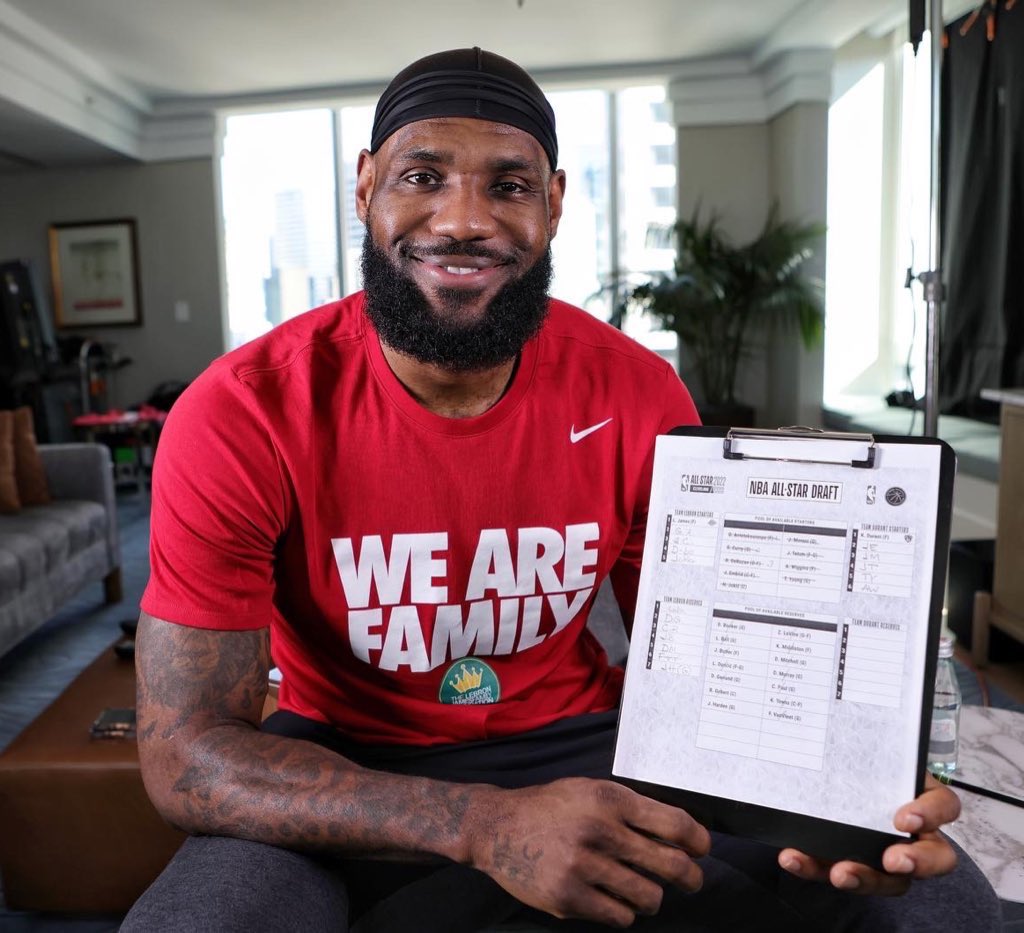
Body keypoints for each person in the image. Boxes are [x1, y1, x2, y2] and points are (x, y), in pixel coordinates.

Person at [123, 48, 1000, 932]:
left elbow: (715, 670)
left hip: (584, 743)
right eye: (422, 176)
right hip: (347, 761)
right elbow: (186, 755)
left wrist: (841, 784)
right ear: (365, 188)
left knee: (932, 896)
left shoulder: (637, 392)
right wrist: (482, 824)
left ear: (553, 202)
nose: (464, 221)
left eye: (509, 186)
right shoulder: (242, 412)